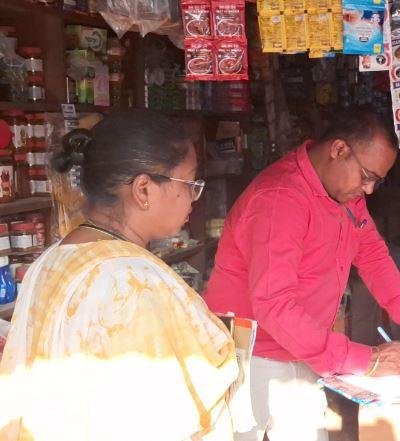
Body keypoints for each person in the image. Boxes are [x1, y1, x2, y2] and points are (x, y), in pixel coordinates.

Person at [203, 108, 400, 441]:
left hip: (303, 351)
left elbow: (373, 257)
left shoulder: (344, 194)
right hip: (253, 357)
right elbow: (274, 306)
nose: (369, 190)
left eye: (377, 181)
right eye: (367, 176)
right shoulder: (280, 198)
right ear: (339, 149)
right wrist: (364, 359)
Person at [0, 110, 238, 441]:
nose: (194, 198)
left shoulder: (52, 258)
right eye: (190, 183)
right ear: (143, 190)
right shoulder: (135, 283)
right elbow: (164, 416)